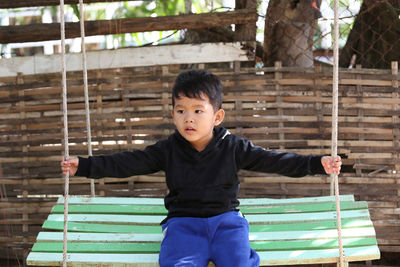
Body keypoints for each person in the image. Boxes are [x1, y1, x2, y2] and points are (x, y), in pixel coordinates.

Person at [61, 69, 342, 267]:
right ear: (172, 114)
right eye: (181, 110)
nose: (189, 119)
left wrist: (317, 164)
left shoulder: (234, 147)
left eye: (198, 110)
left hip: (227, 222)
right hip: (183, 224)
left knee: (237, 262)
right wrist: (84, 166)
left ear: (217, 116)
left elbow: (275, 161)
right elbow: (126, 163)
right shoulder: (167, 149)